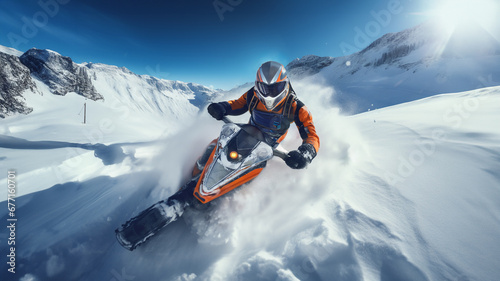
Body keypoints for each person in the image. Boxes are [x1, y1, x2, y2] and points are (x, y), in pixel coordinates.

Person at [206, 61, 319, 169]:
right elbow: (238, 104)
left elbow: (311, 135)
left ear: (285, 85)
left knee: (253, 170)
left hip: (270, 146)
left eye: (276, 88)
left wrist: (306, 152)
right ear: (257, 86)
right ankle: (196, 171)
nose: (269, 94)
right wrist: (221, 107)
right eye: (264, 88)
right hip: (247, 133)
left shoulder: (296, 107)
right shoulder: (253, 94)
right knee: (216, 145)